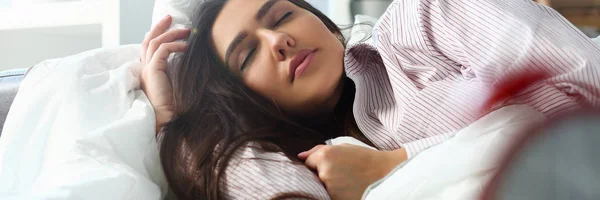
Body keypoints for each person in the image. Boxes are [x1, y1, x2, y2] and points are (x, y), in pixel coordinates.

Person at [139, 0, 600, 199]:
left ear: (320, 21)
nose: (278, 38)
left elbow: (588, 90)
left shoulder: (424, 17)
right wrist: (174, 122)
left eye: (282, 15)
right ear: (244, 100)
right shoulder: (313, 167)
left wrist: (396, 165)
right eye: (248, 54)